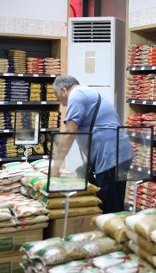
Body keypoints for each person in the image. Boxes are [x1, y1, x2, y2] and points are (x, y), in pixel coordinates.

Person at [51, 75, 133, 213]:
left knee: (108, 207)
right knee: (112, 201)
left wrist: (56, 167)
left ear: (64, 90)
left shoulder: (76, 95)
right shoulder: (87, 92)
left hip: (109, 155)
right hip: (117, 153)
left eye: (60, 99)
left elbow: (69, 132)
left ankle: (111, 225)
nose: (63, 104)